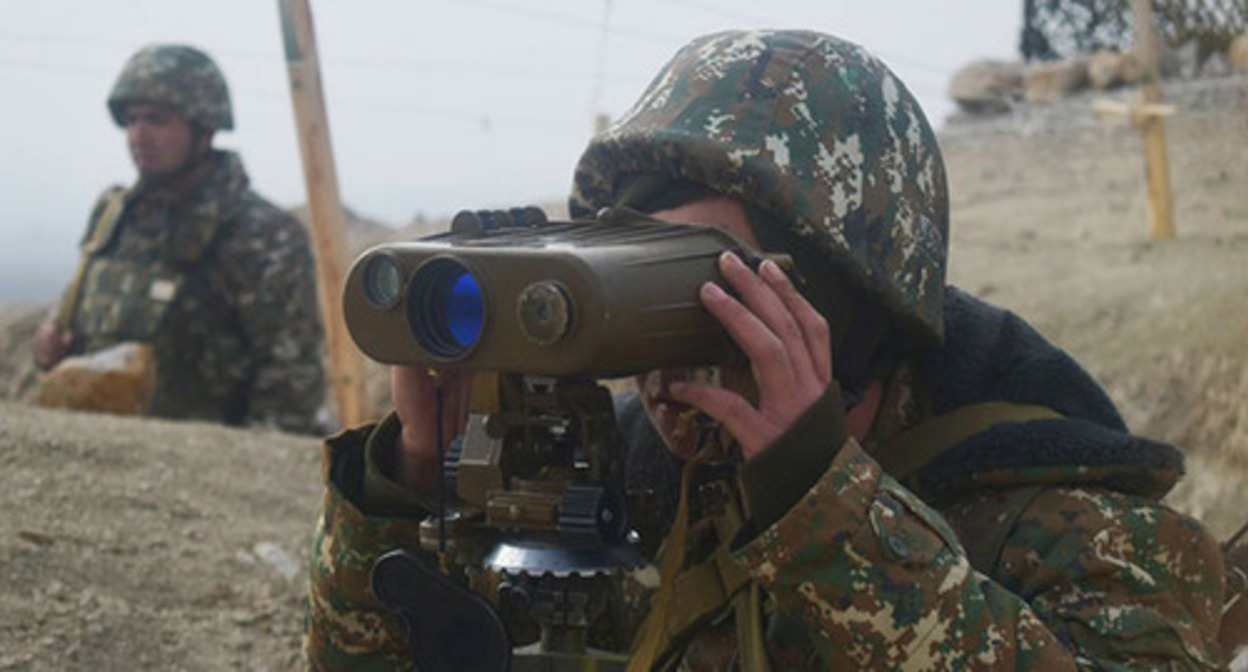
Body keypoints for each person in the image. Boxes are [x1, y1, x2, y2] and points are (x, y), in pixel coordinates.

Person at [304, 30, 1226, 668]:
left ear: (850, 306)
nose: (671, 365)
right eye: (638, 283)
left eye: (719, 293)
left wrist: (821, 508)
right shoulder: (627, 484)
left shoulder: (1067, 526)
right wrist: (408, 484)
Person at [32, 44, 326, 433]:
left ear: (204, 129)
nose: (138, 135)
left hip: (200, 472)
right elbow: (77, 324)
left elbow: (290, 384)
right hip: (95, 453)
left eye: (156, 119)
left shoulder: (263, 235)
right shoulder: (113, 213)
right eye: (132, 120)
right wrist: (50, 349)